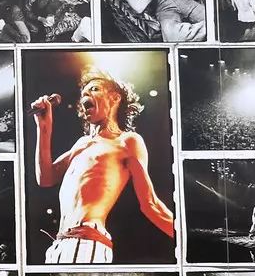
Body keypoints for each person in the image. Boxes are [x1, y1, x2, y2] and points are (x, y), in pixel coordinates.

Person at [31, 67, 176, 263]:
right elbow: (45, 178)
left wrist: (189, 239)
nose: (86, 95)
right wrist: (44, 127)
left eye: (94, 89)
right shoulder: (81, 144)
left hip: (87, 242)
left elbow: (151, 204)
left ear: (115, 98)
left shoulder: (127, 141)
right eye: (84, 93)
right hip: (59, 242)